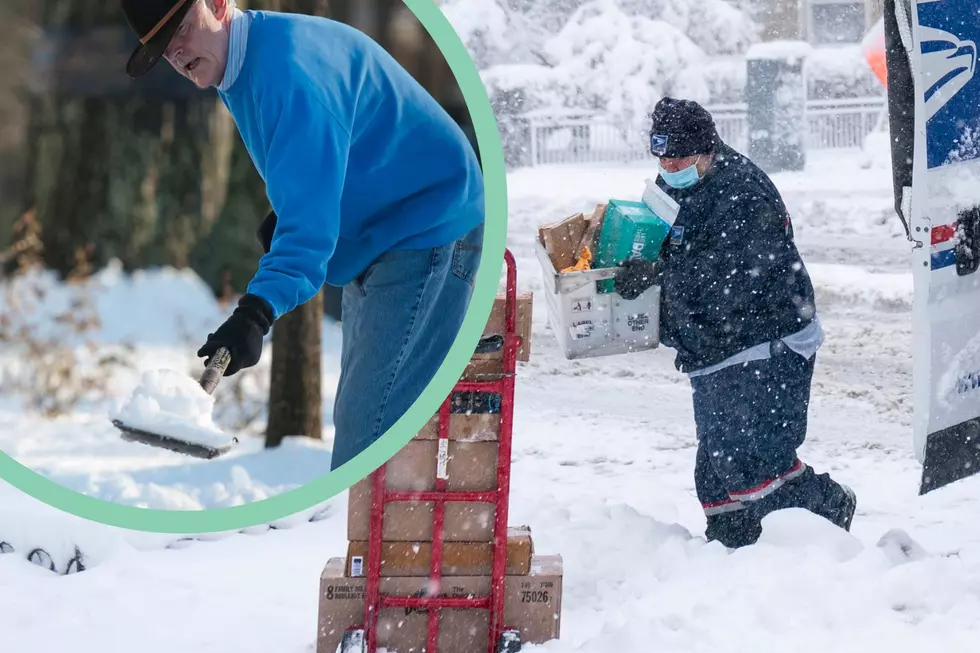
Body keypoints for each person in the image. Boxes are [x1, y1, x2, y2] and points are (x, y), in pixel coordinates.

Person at [119, 0, 485, 470]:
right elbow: (329, 148)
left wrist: (255, 313)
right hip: (382, 224)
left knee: (368, 437)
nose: (177, 51)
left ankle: (382, 541)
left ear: (216, 4)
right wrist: (293, 208)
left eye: (181, 29)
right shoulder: (242, 61)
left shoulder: (287, 73)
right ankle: (378, 537)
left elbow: (308, 236)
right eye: (162, 48)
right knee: (366, 419)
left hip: (427, 221)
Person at [614, 97, 857, 549]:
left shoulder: (743, 192)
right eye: (662, 157)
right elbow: (672, 245)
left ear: (706, 150)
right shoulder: (679, 186)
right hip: (712, 348)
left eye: (679, 157)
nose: (669, 165)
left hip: (765, 342)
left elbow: (728, 277)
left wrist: (659, 275)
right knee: (716, 474)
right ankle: (734, 551)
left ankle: (828, 510)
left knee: (753, 465)